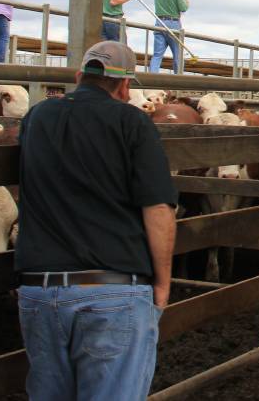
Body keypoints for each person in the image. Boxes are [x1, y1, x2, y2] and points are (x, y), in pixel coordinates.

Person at [14, 41, 177, 401]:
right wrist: (163, 284)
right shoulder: (132, 122)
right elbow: (158, 209)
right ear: (124, 86)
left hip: (39, 289)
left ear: (79, 76)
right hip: (113, 289)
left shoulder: (37, 117)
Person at [149, 0, 189, 74]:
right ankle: (178, 82)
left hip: (159, 22)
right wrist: (187, 3)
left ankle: (152, 81)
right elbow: (183, 8)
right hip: (173, 23)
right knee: (178, 55)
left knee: (157, 55)